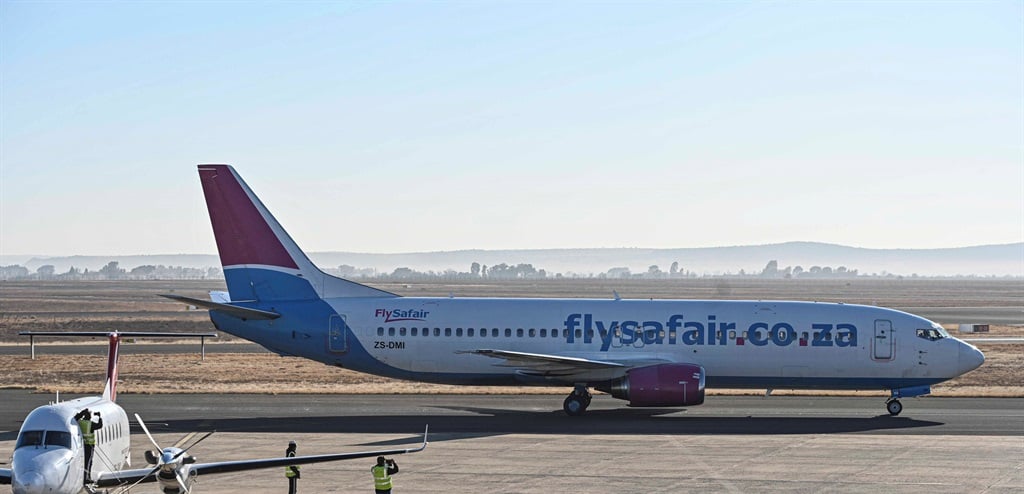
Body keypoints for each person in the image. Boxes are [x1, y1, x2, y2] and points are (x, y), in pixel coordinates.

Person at [74, 408, 103, 484]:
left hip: (81, 445)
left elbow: (75, 418)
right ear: (89, 417)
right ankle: (87, 477)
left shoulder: (80, 422)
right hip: (89, 445)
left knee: (83, 461)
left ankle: (84, 476)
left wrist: (81, 413)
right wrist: (100, 417)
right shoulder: (91, 424)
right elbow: (100, 425)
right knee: (88, 462)